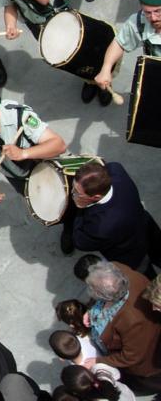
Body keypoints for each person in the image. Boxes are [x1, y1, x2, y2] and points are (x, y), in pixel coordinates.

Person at [0, 88, 69, 213]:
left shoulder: (21, 116)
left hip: (46, 166)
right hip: (14, 175)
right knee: (41, 204)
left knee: (62, 199)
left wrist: (23, 153)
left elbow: (59, 145)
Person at [71, 161, 159, 275]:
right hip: (147, 228)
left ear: (96, 197)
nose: (73, 194)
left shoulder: (100, 227)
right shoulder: (115, 169)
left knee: (145, 276)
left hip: (131, 253)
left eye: (77, 193)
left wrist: (80, 208)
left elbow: (79, 241)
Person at [84, 261, 161, 391]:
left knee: (141, 383)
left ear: (104, 296)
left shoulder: (133, 321)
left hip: (144, 364)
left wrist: (99, 361)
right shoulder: (115, 271)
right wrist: (92, 309)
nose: (153, 307)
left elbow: (131, 356)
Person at [95, 0, 161, 99]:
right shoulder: (138, 22)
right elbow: (119, 43)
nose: (153, 18)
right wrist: (106, 68)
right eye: (148, 12)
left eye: (158, 11)